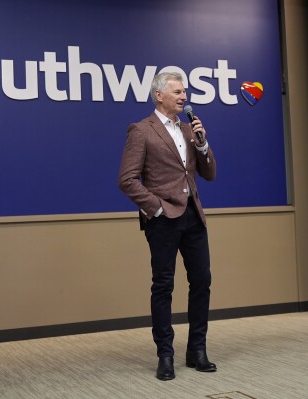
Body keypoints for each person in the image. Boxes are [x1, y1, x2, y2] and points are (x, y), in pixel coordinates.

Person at [118, 71, 217, 381]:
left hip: (193, 216)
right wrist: (156, 208)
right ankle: (165, 354)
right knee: (163, 286)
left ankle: (197, 350)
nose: (184, 96)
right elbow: (127, 179)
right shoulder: (141, 130)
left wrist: (202, 144)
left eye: (184, 91)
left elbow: (210, 173)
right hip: (163, 220)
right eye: (177, 91)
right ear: (159, 95)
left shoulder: (190, 130)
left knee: (202, 281)